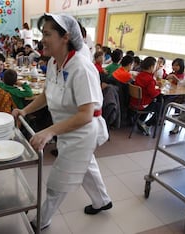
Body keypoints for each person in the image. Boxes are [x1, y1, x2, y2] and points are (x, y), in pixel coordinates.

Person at [12, 13, 112, 231]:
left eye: (47, 34)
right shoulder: (54, 63)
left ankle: (42, 220)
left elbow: (86, 114)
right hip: (67, 129)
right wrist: (25, 110)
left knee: (58, 182)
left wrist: (48, 132)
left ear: (65, 37)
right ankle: (102, 200)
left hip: (83, 133)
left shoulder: (81, 68)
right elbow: (47, 94)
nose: (42, 39)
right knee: (87, 167)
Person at [131, 56, 161, 136]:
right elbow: (153, 93)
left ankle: (141, 120)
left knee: (153, 102)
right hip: (142, 104)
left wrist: (154, 83)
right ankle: (147, 124)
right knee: (160, 106)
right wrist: (159, 90)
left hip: (134, 102)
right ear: (151, 67)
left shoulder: (139, 75)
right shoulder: (150, 79)